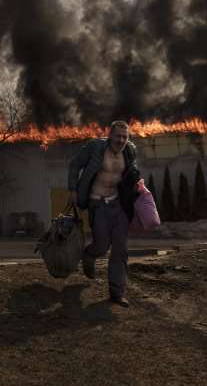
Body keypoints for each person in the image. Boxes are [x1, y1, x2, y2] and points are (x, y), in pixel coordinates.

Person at [67, 120, 141, 307]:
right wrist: (73, 190)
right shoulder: (95, 147)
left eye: (125, 137)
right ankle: (89, 255)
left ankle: (117, 293)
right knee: (101, 245)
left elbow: (131, 173)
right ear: (109, 136)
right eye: (118, 136)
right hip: (97, 203)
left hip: (117, 204)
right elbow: (74, 165)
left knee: (120, 248)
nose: (121, 140)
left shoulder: (130, 151)